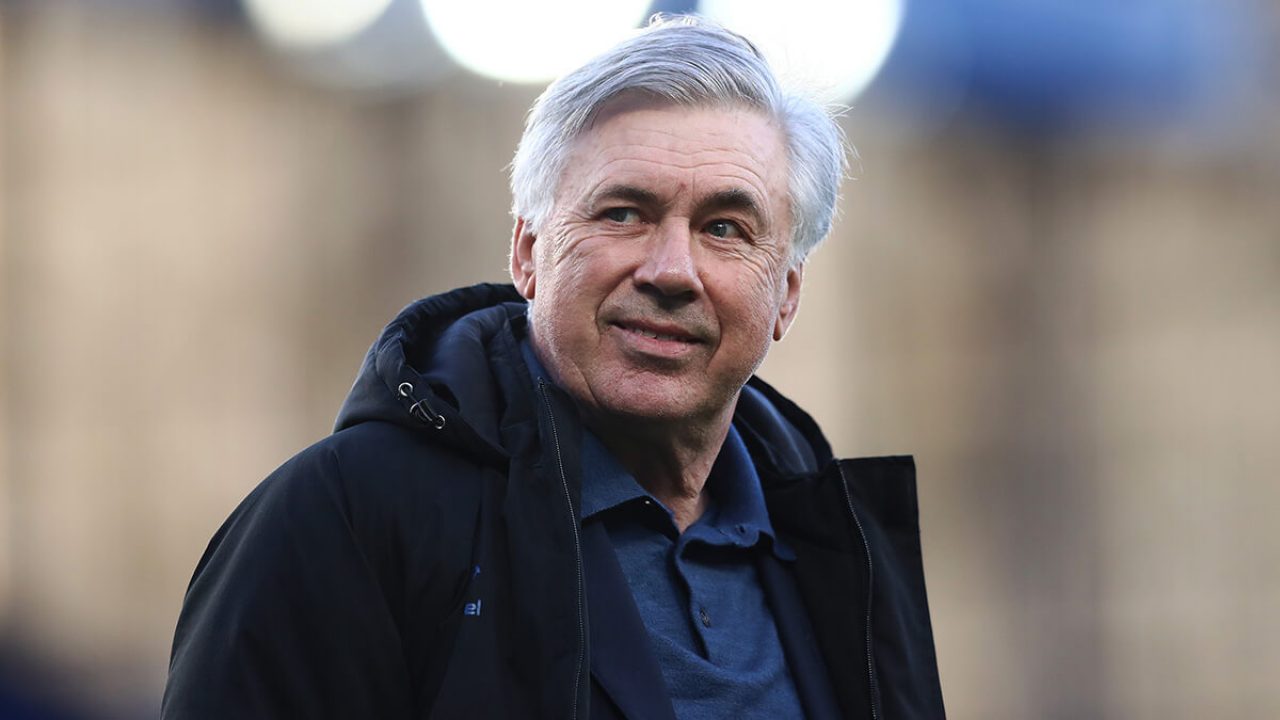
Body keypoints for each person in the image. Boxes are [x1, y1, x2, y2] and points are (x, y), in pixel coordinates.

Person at [162, 15, 944, 720]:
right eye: (623, 213)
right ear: (528, 254)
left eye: (725, 228)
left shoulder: (843, 549)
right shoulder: (344, 520)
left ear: (787, 295)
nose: (672, 271)